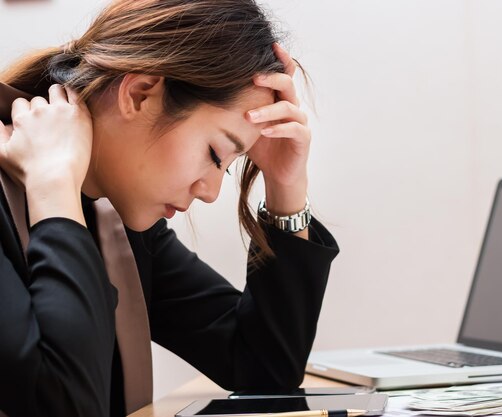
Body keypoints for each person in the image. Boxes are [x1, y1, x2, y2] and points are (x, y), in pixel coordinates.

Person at [0, 1, 339, 416]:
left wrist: (286, 186)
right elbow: (65, 404)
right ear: (139, 94)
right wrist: (53, 188)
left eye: (230, 168)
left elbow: (263, 370)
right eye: (216, 154)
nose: (211, 192)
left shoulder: (118, 218)